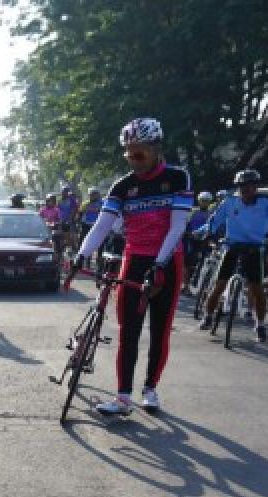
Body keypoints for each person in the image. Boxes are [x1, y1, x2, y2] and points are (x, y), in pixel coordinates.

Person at [72, 117, 192, 415]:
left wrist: (160, 263)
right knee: (128, 331)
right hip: (134, 260)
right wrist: (81, 254)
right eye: (128, 154)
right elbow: (101, 227)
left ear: (155, 149)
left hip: (167, 260)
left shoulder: (177, 178)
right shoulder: (123, 186)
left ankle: (150, 388)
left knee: (159, 330)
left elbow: (177, 227)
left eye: (138, 153)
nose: (133, 160)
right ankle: (123, 397)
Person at [196, 169, 268, 341]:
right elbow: (215, 219)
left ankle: (259, 324)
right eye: (242, 186)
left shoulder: (266, 203)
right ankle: (207, 315)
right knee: (219, 285)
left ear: (256, 187)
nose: (246, 189)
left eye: (250, 185)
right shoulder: (229, 202)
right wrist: (210, 233)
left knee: (257, 289)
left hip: (254, 248)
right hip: (232, 246)